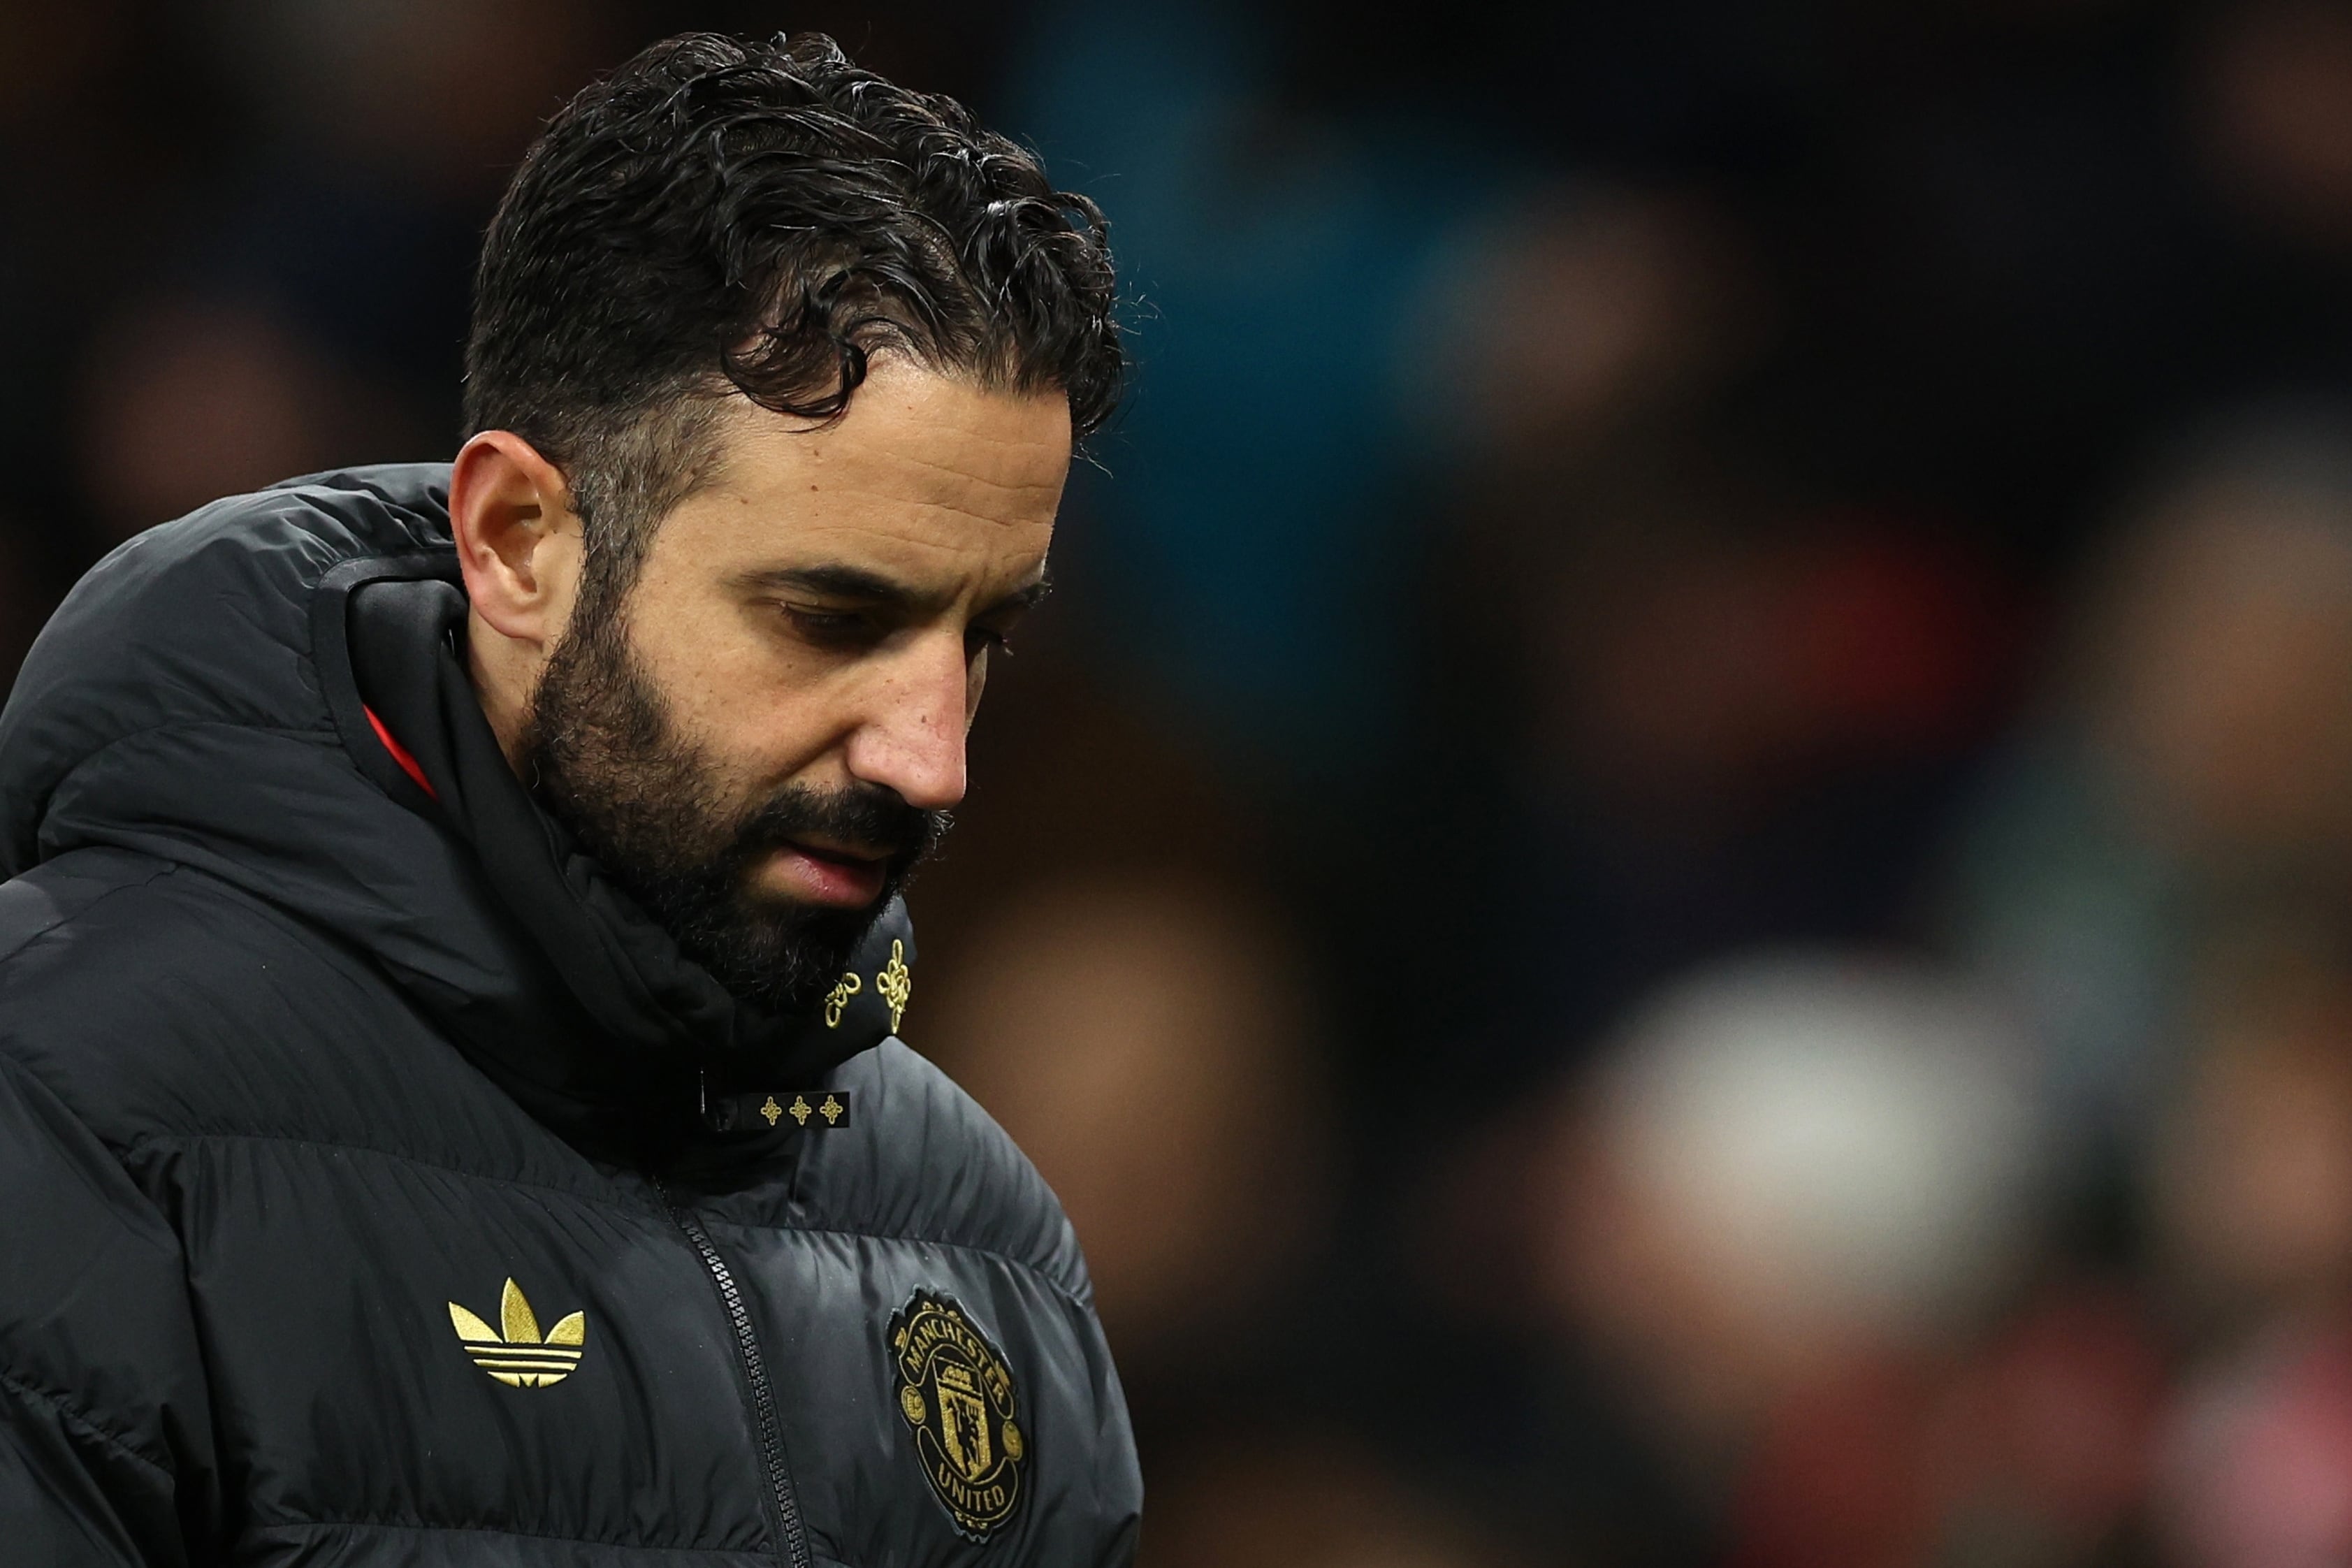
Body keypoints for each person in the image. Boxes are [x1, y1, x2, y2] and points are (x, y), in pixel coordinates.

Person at [0, 31, 1136, 1567]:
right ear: (518, 540)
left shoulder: (982, 1240)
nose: (931, 760)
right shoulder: (62, 1116)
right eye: (830, 617)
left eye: (981, 638)